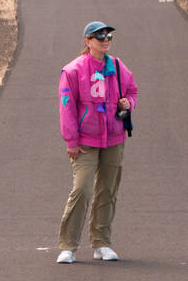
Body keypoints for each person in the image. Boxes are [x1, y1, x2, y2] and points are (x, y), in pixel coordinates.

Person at [56, 20, 138, 263]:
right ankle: (68, 246)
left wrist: (128, 104)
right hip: (85, 141)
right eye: (99, 36)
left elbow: (132, 91)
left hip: (114, 137)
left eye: (108, 36)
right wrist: (71, 140)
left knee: (108, 190)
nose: (105, 40)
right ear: (87, 42)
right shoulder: (73, 70)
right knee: (82, 189)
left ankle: (101, 243)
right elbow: (66, 107)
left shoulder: (118, 67)